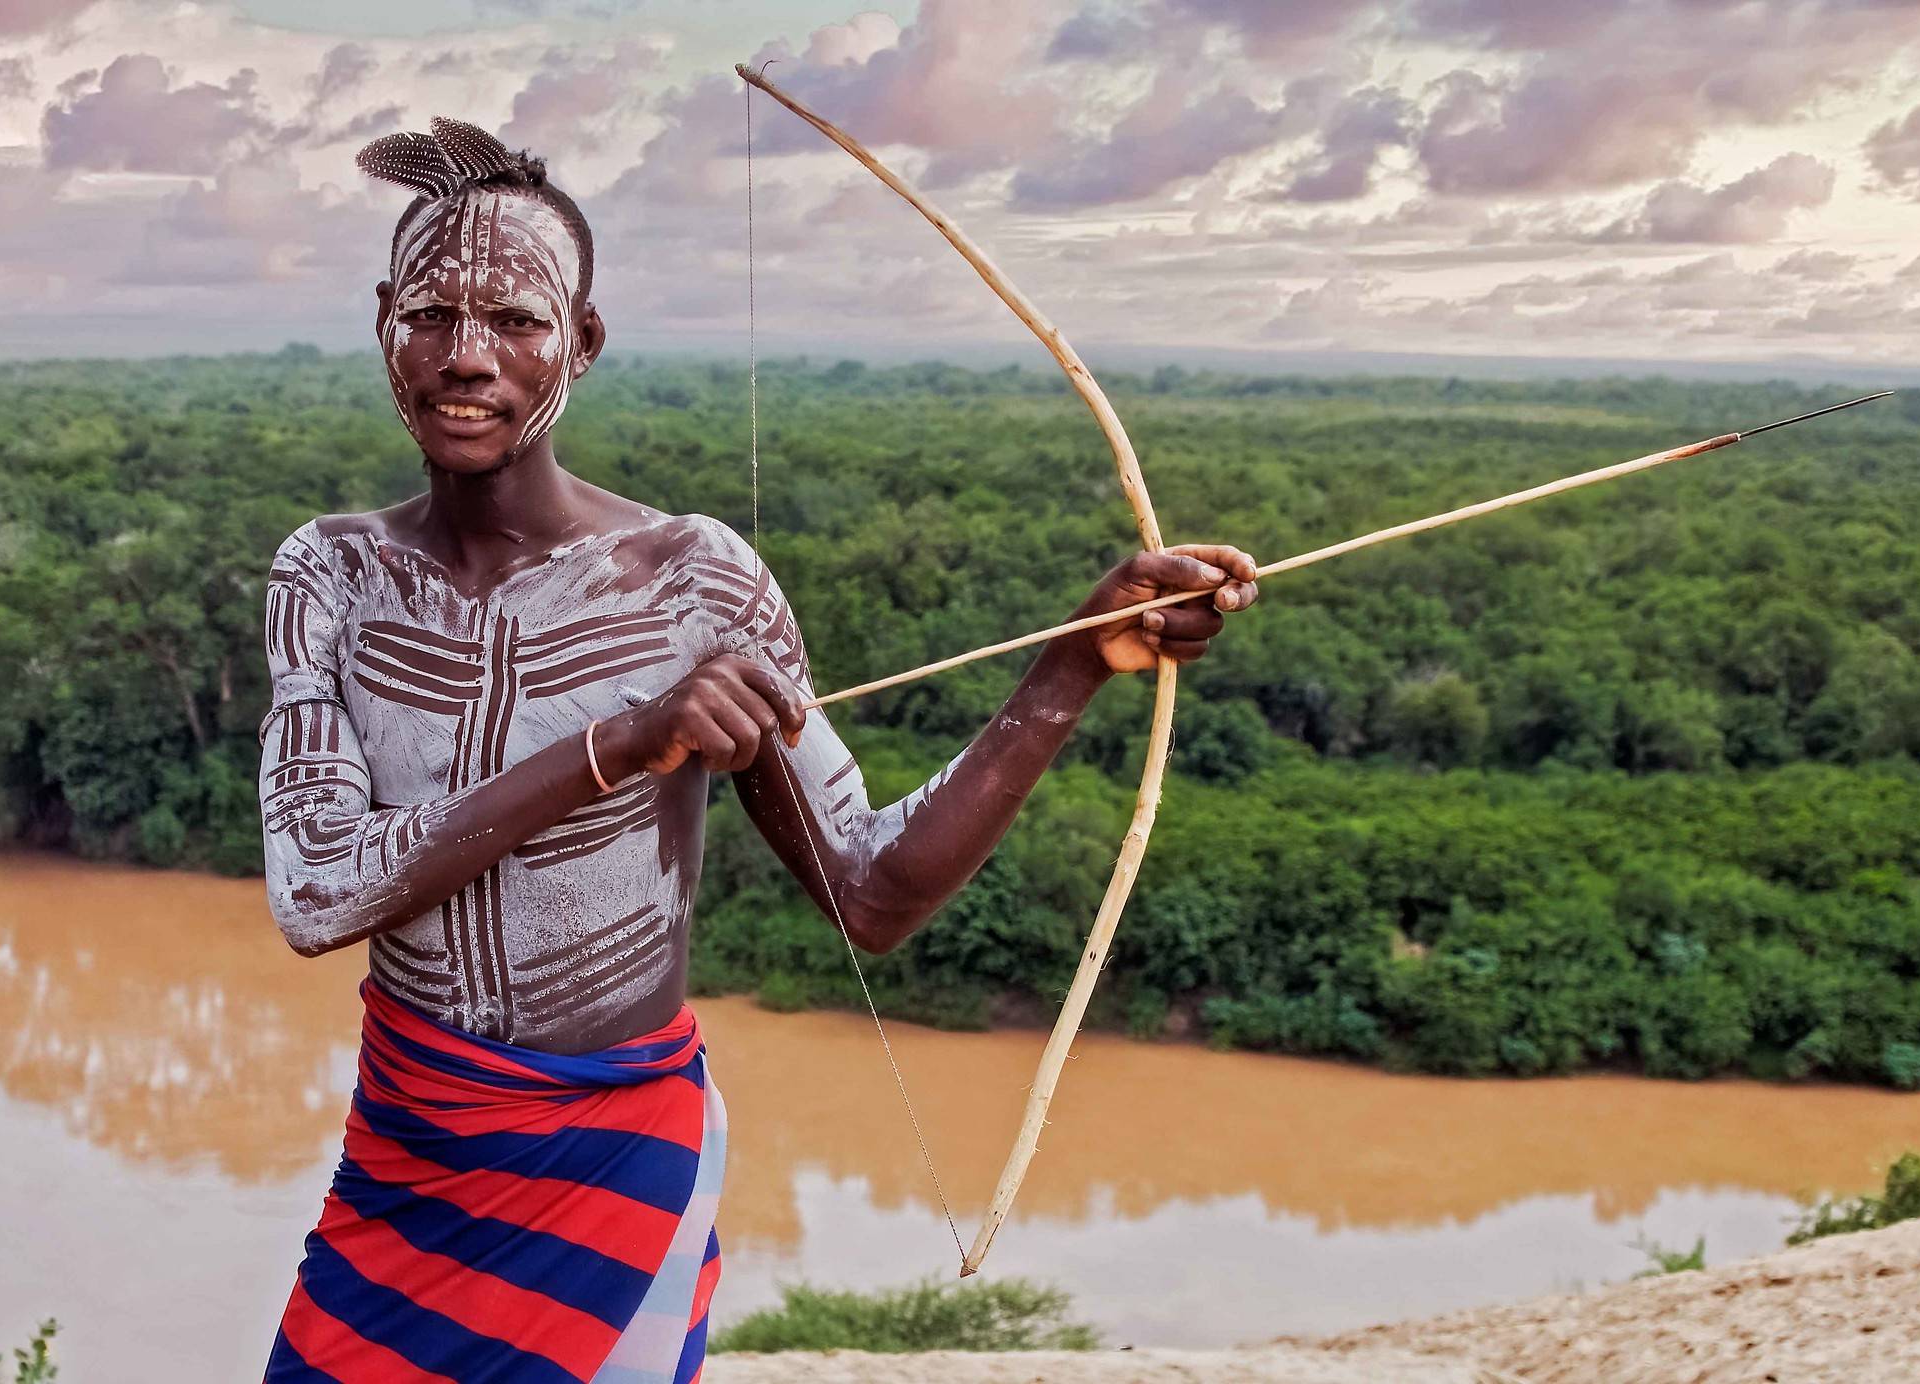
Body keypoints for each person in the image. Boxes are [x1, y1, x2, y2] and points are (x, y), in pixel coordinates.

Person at [258, 115, 1259, 1384]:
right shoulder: (331, 572)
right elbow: (316, 891)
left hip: (614, 1160)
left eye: (515, 320)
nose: (467, 358)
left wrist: (1070, 664)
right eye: (432, 315)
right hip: (407, 1155)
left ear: (583, 341)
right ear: (383, 321)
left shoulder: (692, 583)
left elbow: (872, 891)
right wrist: (625, 738)